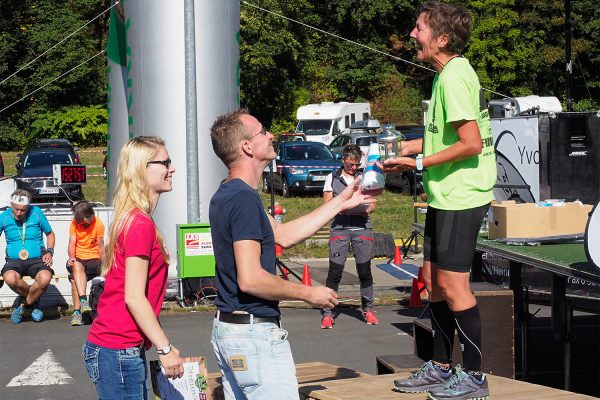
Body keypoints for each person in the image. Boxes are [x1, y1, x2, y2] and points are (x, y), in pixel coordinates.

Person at [209, 109, 379, 399]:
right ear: (247, 147)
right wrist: (308, 293)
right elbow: (250, 279)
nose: (271, 135)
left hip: (232, 331)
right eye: (263, 132)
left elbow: (283, 235)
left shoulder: (229, 192)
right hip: (254, 337)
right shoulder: (243, 199)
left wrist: (340, 202)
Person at [379, 2, 496, 399]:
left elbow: (471, 144)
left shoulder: (454, 77)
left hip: (463, 195)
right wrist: (405, 148)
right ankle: (442, 367)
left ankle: (474, 378)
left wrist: (418, 161)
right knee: (432, 282)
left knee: (454, 286)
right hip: (444, 195)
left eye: (419, 28)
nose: (413, 34)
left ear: (441, 39)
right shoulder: (444, 75)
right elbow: (443, 136)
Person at [83, 136, 184, 398]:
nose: (172, 168)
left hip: (119, 349)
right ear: (142, 168)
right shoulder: (140, 224)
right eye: (166, 162)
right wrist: (164, 348)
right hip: (117, 350)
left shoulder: (136, 219)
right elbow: (134, 297)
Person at [320, 144, 377, 329]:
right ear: (343, 160)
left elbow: (372, 204)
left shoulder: (364, 177)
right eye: (351, 164)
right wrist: (352, 206)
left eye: (357, 164)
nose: (353, 168)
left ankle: (368, 309)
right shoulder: (332, 178)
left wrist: (363, 207)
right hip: (340, 229)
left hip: (362, 228)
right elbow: (329, 205)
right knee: (335, 272)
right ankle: (328, 312)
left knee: (364, 270)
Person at [1, 189, 55, 324]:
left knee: (45, 278)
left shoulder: (36, 212)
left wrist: (50, 252)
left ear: (28, 207)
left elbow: (50, 234)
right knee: (10, 278)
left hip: (37, 259)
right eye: (16, 209)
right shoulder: (4, 216)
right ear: (11, 205)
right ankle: (34, 300)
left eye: (23, 210)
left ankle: (24, 306)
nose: (19, 213)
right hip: (14, 260)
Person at [67, 201, 105, 326]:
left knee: (74, 280)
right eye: (78, 221)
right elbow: (72, 243)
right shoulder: (74, 223)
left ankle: (79, 311)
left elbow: (100, 246)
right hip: (79, 258)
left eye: (82, 221)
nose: (80, 224)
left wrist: (105, 264)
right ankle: (81, 306)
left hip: (95, 258)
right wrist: (71, 257)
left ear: (90, 216)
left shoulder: (98, 224)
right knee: (76, 267)